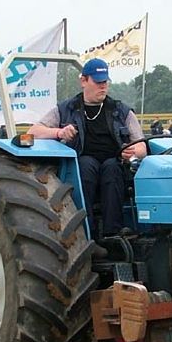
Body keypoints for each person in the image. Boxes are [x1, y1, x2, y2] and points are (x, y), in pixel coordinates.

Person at [28, 57, 145, 238]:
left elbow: (141, 146)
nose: (103, 87)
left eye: (105, 82)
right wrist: (59, 132)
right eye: (98, 82)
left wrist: (133, 151)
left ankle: (113, 233)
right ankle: (86, 233)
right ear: (83, 81)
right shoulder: (66, 109)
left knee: (112, 168)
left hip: (114, 163)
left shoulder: (122, 111)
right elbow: (33, 132)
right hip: (81, 166)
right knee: (86, 165)